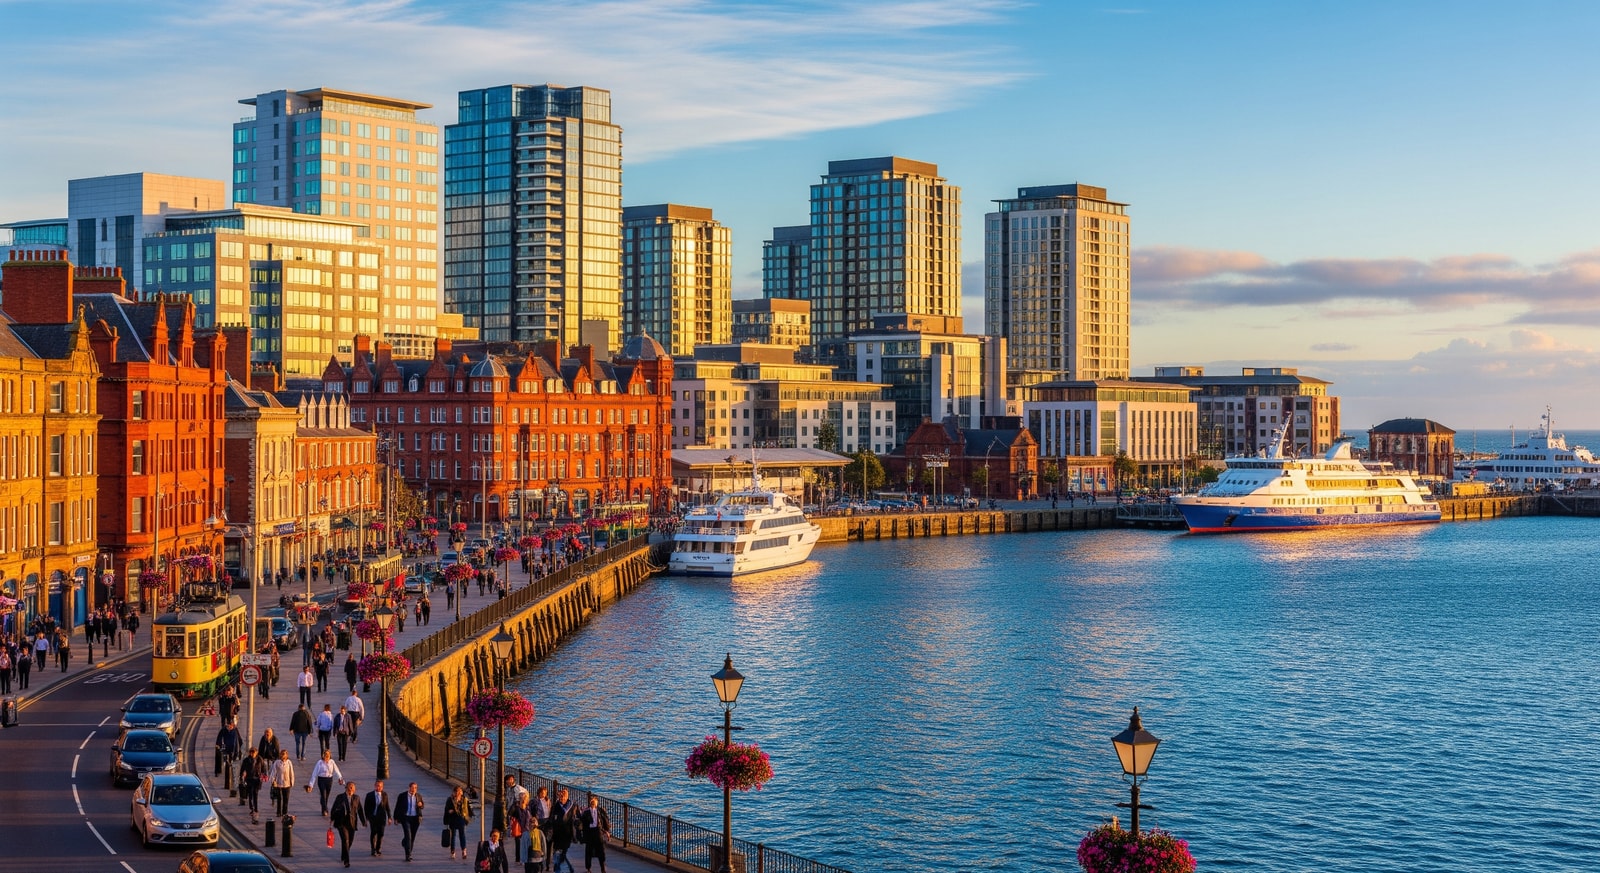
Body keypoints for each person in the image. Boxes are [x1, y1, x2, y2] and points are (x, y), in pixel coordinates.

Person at [330, 780, 367, 867]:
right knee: (345, 840)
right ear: (346, 788)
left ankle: (344, 853)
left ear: (354, 789)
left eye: (352, 788)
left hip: (352, 823)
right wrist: (332, 818)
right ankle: (346, 861)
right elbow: (334, 808)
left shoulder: (356, 798)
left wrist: (363, 821)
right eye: (349, 787)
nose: (351, 789)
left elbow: (360, 810)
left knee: (349, 841)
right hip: (341, 823)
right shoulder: (340, 797)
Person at [393, 781, 426, 861]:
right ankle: (408, 855)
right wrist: (395, 818)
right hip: (406, 818)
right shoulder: (402, 796)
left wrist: (421, 805)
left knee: (412, 837)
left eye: (416, 788)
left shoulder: (418, 796)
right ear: (409, 788)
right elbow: (397, 807)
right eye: (413, 787)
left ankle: (406, 845)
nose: (414, 789)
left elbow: (422, 806)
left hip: (415, 818)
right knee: (408, 836)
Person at [305, 748, 344, 816]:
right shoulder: (319, 762)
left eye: (328, 755)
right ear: (323, 755)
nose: (326, 756)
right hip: (321, 780)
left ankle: (323, 806)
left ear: (330, 755)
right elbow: (314, 774)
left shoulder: (332, 762)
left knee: (326, 796)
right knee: (323, 794)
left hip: (329, 780)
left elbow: (337, 770)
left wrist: (340, 778)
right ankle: (325, 809)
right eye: (325, 755)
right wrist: (311, 785)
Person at [577, 796, 611, 873]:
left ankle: (603, 868)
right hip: (589, 832)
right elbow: (581, 822)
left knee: (601, 850)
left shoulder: (600, 811)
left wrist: (606, 831)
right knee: (588, 850)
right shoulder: (586, 812)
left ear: (596, 803)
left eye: (594, 801)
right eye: (592, 801)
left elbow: (604, 821)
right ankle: (588, 868)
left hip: (598, 831)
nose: (593, 803)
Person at [239, 747, 268, 823]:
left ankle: (256, 809)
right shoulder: (246, 760)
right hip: (249, 779)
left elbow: (264, 768)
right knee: (250, 794)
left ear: (256, 752)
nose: (252, 754)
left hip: (257, 780)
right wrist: (242, 776)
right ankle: (252, 808)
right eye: (251, 752)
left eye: (253, 752)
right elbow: (242, 769)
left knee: (256, 794)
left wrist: (264, 775)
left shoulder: (259, 759)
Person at [364, 779, 392, 856]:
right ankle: (373, 849)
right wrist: (366, 818)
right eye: (377, 786)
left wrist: (389, 817)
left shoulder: (384, 795)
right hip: (373, 817)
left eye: (380, 786)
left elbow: (387, 807)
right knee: (373, 832)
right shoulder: (369, 795)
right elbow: (366, 808)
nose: (378, 787)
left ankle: (378, 848)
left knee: (381, 833)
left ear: (382, 787)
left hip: (382, 818)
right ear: (374, 786)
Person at [444, 784, 472, 859]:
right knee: (453, 836)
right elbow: (446, 810)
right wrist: (449, 811)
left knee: (462, 835)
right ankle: (452, 851)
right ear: (453, 792)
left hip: (461, 818)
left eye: (459, 792)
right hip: (452, 818)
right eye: (456, 792)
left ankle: (464, 851)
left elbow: (468, 808)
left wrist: (468, 817)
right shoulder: (450, 799)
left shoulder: (464, 799)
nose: (458, 793)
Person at [508, 791, 535, 864]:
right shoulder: (516, 807)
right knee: (518, 844)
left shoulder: (528, 807)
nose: (523, 800)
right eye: (522, 798)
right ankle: (518, 859)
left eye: (525, 798)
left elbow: (532, 816)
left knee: (526, 844)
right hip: (518, 828)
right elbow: (510, 814)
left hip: (527, 828)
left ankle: (525, 858)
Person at [269, 749, 296, 817]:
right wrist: (272, 780)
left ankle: (285, 812)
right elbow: (273, 772)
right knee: (279, 798)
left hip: (287, 783)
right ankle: (278, 812)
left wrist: (292, 781)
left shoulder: (289, 762)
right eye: (282, 754)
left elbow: (291, 772)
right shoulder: (277, 762)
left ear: (287, 755)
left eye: (284, 754)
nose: (283, 756)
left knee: (286, 798)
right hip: (279, 783)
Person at [532, 786, 553, 872]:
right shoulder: (535, 801)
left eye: (545, 793)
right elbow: (533, 811)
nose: (544, 794)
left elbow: (550, 810)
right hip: (540, 823)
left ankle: (547, 864)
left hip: (547, 823)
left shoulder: (548, 800)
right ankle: (540, 862)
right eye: (542, 793)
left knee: (548, 843)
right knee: (540, 844)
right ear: (539, 793)